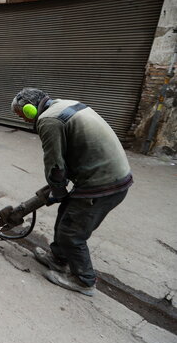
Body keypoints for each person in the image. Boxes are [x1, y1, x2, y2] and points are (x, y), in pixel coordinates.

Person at [11, 88, 133, 297]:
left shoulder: (48, 121)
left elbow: (55, 165)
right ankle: (58, 259)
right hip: (109, 175)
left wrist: (57, 191)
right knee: (67, 215)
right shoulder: (62, 105)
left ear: (30, 110)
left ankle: (84, 281)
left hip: (102, 184)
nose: (21, 119)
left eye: (19, 114)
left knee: (72, 232)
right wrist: (59, 191)